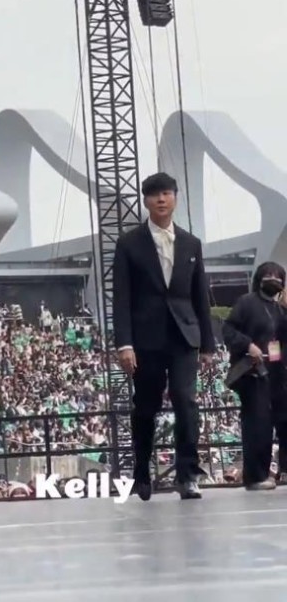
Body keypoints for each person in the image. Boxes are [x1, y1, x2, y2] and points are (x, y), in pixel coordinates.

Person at [112, 172, 215, 501]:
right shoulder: (129, 243)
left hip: (184, 336)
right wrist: (124, 343)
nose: (161, 199)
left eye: (167, 193)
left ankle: (188, 475)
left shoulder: (191, 243)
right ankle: (142, 471)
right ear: (145, 200)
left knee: (186, 400)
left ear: (175, 198)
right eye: (155, 194)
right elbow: (121, 298)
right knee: (146, 406)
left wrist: (208, 343)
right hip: (146, 339)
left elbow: (200, 296)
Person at [222, 262, 287, 490]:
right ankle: (255, 476)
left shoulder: (279, 309)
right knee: (258, 424)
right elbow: (228, 330)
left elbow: (281, 340)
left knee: (280, 420)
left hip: (275, 374)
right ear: (259, 279)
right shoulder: (246, 303)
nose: (273, 279)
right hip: (251, 372)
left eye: (278, 276)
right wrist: (248, 345)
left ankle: (280, 470)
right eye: (268, 275)